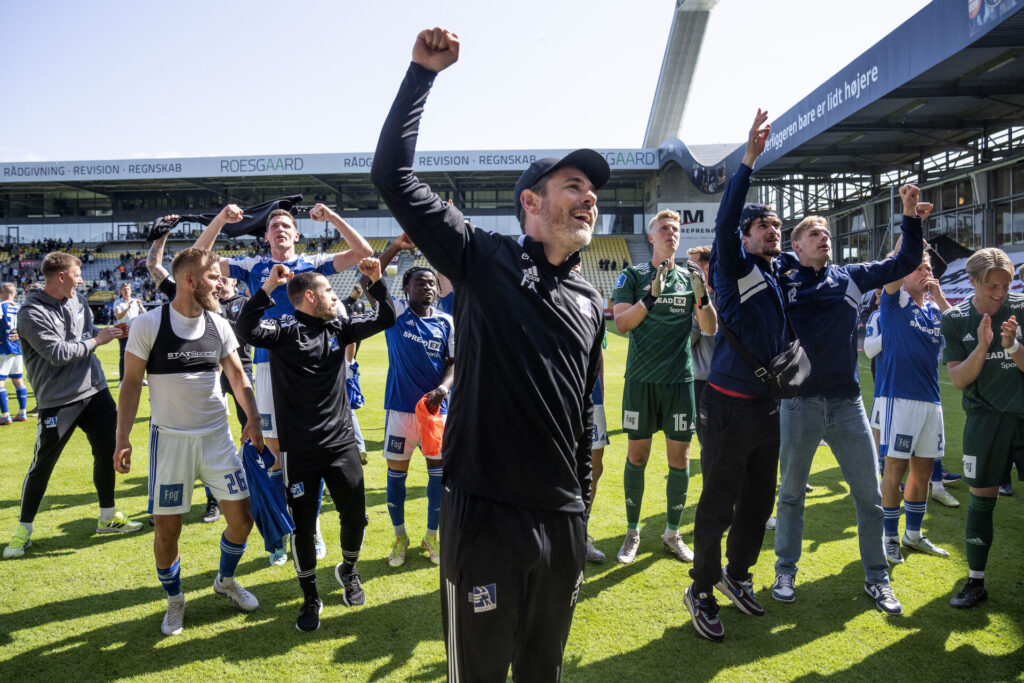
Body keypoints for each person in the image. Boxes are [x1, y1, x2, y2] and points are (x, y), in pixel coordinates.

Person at [371, 27, 606, 681]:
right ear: (531, 201)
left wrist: (581, 514)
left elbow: (581, 416)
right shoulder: (482, 255)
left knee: (542, 672)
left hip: (560, 523)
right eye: (574, 184)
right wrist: (422, 73)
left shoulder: (590, 297)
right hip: (486, 518)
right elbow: (391, 174)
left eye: (592, 189)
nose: (590, 196)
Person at [771, 191, 925, 618]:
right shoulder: (781, 274)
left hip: (846, 404)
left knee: (870, 497)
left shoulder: (851, 276)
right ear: (795, 245)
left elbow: (903, 262)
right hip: (798, 403)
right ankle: (785, 571)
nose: (825, 238)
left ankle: (877, 577)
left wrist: (910, 217)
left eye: (827, 233)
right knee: (789, 497)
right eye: (814, 234)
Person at [193, 202, 373, 565]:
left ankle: (312, 528)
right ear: (265, 236)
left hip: (314, 368)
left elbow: (363, 253)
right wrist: (221, 221)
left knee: (314, 449)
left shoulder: (314, 264)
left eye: (286, 224)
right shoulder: (251, 266)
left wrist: (334, 217)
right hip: (270, 367)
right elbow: (198, 262)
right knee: (275, 456)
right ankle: (282, 530)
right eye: (273, 225)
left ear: (296, 234)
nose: (279, 228)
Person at [238, 258, 395, 632]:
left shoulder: (339, 326)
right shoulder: (283, 330)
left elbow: (385, 318)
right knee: (304, 527)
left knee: (356, 516)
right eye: (327, 290)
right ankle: (310, 596)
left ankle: (349, 571)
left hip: (341, 443)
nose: (333, 296)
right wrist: (267, 288)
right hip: (300, 449)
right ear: (309, 296)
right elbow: (245, 328)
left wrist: (375, 282)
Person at [113, 247, 263, 636]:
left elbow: (237, 377)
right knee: (167, 530)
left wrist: (255, 420)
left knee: (242, 521)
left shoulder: (219, 323)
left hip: (217, 438)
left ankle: (224, 581)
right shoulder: (149, 324)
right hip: (172, 442)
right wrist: (122, 437)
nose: (222, 283)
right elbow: (130, 385)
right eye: (214, 277)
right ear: (190, 281)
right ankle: (175, 600)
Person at [685, 110, 785, 643]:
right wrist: (748, 159)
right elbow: (723, 222)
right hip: (725, 403)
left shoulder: (776, 270)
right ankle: (700, 590)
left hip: (767, 405)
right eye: (764, 226)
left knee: (759, 502)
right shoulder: (732, 263)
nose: (774, 231)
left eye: (777, 226)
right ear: (744, 237)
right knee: (718, 503)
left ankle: (737, 575)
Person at [4, 253, 140, 560]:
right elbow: (57, 352)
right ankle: (22, 531)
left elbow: (87, 335)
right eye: (76, 274)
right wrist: (99, 340)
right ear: (60, 276)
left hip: (95, 389)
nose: (81, 279)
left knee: (107, 451)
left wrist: (114, 332)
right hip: (57, 400)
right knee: (43, 465)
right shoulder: (30, 313)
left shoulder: (77, 300)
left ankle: (108, 518)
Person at [612, 210, 717, 565]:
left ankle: (673, 533)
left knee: (680, 459)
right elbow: (622, 323)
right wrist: (651, 297)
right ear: (651, 236)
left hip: (679, 381)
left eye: (675, 229)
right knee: (637, 457)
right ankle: (631, 531)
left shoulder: (691, 275)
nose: (671, 233)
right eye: (664, 229)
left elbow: (710, 327)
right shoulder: (633, 274)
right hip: (641, 380)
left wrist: (702, 298)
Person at [149, 228, 254, 524]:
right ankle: (213, 500)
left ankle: (247, 486)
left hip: (240, 370)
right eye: (214, 276)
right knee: (212, 435)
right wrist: (161, 240)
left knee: (247, 432)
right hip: (205, 375)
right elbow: (174, 265)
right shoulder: (190, 299)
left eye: (223, 276)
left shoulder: (244, 304)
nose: (219, 281)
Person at [941, 247, 1024, 608]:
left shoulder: (1020, 308)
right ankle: (975, 581)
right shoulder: (956, 320)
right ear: (972, 282)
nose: (1000, 293)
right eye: (992, 286)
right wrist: (984, 346)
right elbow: (958, 379)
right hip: (984, 421)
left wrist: (1013, 346)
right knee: (981, 498)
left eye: (1006, 285)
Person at [876, 250, 952, 564]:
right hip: (900, 401)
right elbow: (893, 276)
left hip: (931, 403)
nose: (925, 272)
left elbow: (961, 329)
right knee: (896, 470)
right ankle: (889, 537)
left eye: (929, 268)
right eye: (918, 268)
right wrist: (907, 249)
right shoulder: (893, 303)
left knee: (923, 472)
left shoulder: (934, 310)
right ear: (903, 273)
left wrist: (939, 294)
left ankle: (914, 534)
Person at [0, 282, 29, 423]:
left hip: (3, 348)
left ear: (1, 293)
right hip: (18, 348)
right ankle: (22, 413)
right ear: (15, 294)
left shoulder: (1, 306)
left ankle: (5, 416)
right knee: (18, 380)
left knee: (0, 383)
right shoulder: (20, 308)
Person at [113, 282, 145, 383]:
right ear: (121, 291)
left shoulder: (136, 301)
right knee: (124, 356)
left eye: (128, 289)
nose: (126, 291)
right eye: (124, 289)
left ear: (131, 290)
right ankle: (122, 380)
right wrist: (128, 308)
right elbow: (118, 316)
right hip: (124, 331)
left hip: (135, 331)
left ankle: (140, 378)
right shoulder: (118, 302)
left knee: (139, 355)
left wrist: (140, 306)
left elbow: (146, 315)